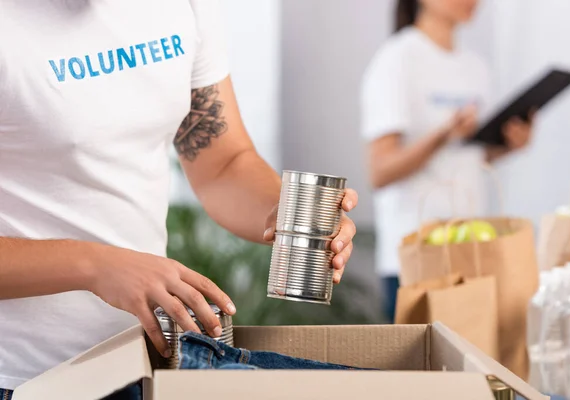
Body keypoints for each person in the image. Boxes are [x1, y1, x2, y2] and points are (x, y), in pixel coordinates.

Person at [0, 0, 358, 396]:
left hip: (143, 360)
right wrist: (95, 265)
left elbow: (221, 161)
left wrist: (281, 212)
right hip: (25, 378)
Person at [361, 0, 534, 322]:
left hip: (471, 252)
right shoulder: (397, 59)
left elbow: (469, 155)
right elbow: (380, 171)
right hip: (415, 256)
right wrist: (442, 135)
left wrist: (508, 145)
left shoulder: (475, 66)